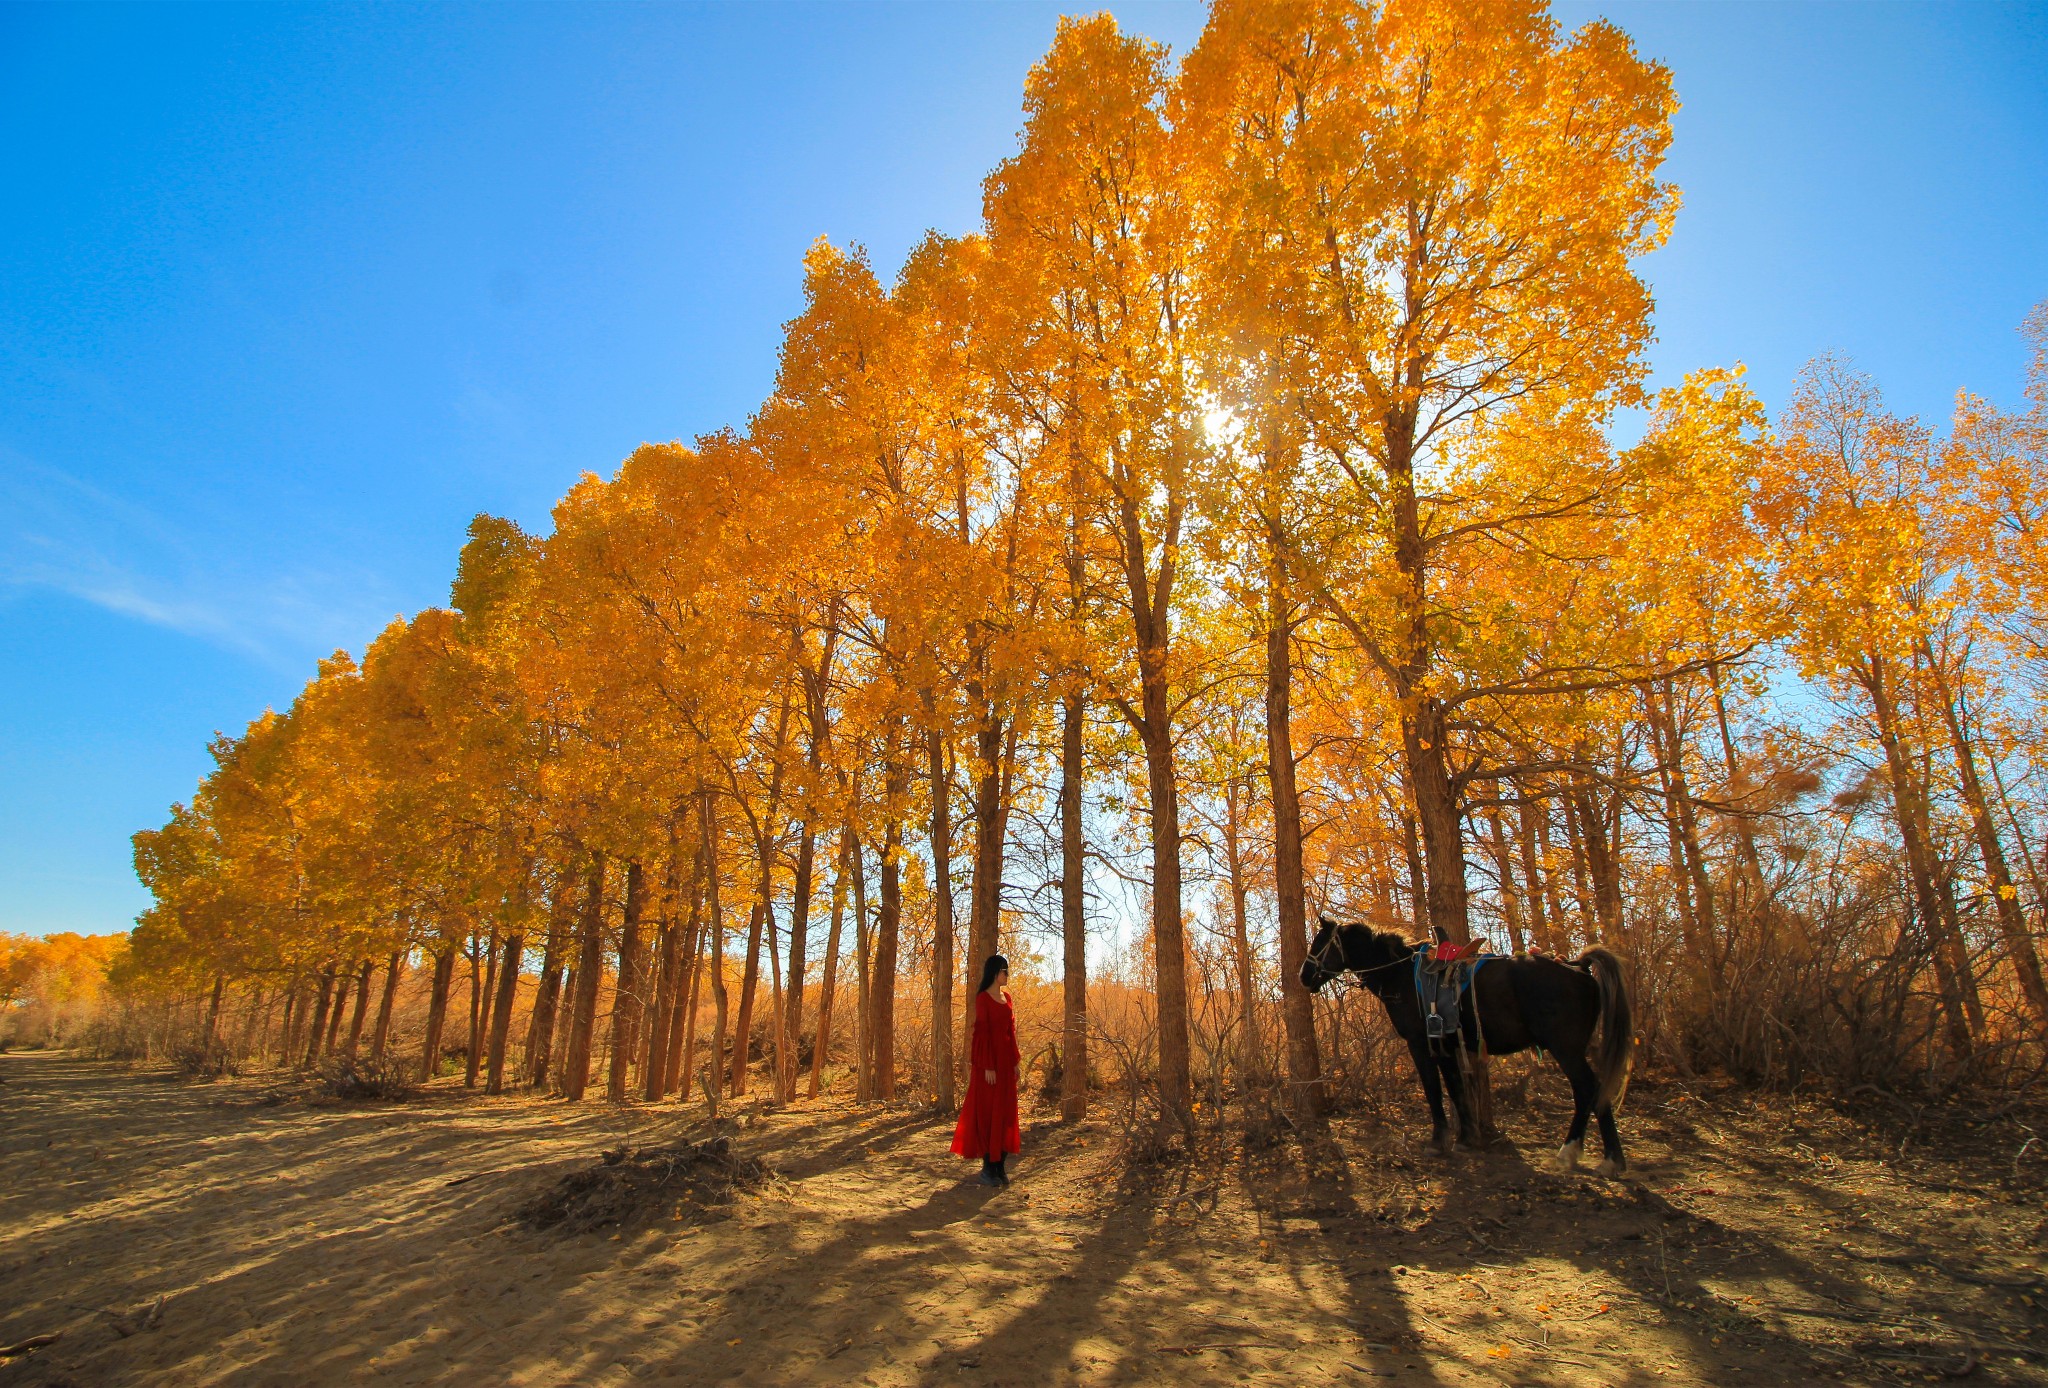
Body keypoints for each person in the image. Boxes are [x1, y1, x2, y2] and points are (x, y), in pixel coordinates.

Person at [950, 953, 1021, 1185]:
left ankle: (1000, 1166)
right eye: (1004, 971)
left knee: (1006, 1113)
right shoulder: (983, 999)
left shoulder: (1007, 998)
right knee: (990, 1114)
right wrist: (987, 1065)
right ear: (994, 973)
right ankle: (988, 1168)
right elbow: (981, 1035)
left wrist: (1015, 1062)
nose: (1007, 975)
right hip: (988, 1067)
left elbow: (1010, 1034)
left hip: (1005, 1064)